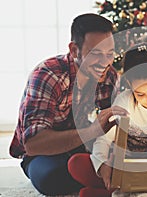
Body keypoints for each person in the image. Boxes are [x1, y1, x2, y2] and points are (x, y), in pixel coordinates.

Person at [9, 13, 128, 196]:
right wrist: (91, 132)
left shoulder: (109, 76)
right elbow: (34, 144)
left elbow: (115, 127)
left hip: (86, 150)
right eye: (95, 54)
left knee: (123, 160)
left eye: (110, 53)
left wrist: (110, 158)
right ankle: (104, 182)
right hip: (45, 155)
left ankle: (101, 180)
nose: (105, 62)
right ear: (74, 50)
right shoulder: (49, 75)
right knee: (52, 178)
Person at [68, 44, 147, 197]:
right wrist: (102, 165)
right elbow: (103, 141)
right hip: (119, 164)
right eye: (140, 94)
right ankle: (117, 186)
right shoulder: (123, 103)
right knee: (76, 163)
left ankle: (109, 191)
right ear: (129, 84)